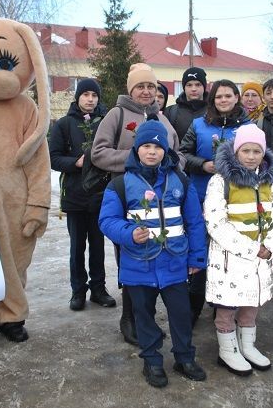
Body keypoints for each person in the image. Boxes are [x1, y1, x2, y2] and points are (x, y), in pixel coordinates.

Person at [98, 120, 208, 388]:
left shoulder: (181, 180)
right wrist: (128, 233)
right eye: (146, 146)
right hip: (138, 265)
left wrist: (196, 259)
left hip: (175, 262)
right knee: (143, 316)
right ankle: (152, 360)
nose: (151, 152)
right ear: (136, 149)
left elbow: (194, 222)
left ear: (166, 150)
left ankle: (184, 357)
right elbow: (107, 220)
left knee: (181, 314)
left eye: (157, 147)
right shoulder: (120, 184)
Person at [91, 63, 181, 346]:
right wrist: (135, 157)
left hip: (161, 201)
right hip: (128, 199)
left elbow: (174, 153)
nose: (146, 91)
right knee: (131, 259)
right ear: (131, 89)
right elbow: (99, 153)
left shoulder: (162, 118)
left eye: (151, 87)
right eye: (140, 86)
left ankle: (146, 318)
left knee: (155, 258)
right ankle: (129, 318)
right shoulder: (116, 114)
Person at [204, 124, 273, 376]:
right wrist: (252, 249)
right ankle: (227, 349)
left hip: (261, 260)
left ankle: (247, 345)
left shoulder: (269, 182)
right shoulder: (220, 181)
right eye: (246, 150)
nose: (251, 156)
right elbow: (216, 222)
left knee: (252, 303)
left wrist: (271, 246)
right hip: (231, 259)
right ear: (236, 150)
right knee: (228, 306)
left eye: (257, 151)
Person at [180, 79, 250, 326]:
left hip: (235, 198)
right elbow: (183, 154)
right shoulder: (199, 124)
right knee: (200, 249)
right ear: (212, 100)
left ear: (236, 98)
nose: (223, 100)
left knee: (227, 251)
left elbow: (256, 158)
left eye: (228, 96)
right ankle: (193, 305)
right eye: (219, 97)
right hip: (200, 194)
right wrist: (202, 164)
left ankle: (223, 305)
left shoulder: (247, 127)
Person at [49, 79, 116, 311]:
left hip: (100, 194)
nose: (90, 99)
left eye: (94, 95)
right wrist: (74, 162)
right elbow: (53, 157)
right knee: (77, 246)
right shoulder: (64, 125)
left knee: (98, 245)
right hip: (75, 195)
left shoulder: (106, 123)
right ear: (78, 97)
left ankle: (99, 288)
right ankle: (78, 291)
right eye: (86, 94)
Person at [164, 67, 208, 141]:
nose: (193, 89)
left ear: (204, 87)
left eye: (198, 85)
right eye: (189, 85)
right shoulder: (171, 112)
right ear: (184, 88)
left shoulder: (214, 110)